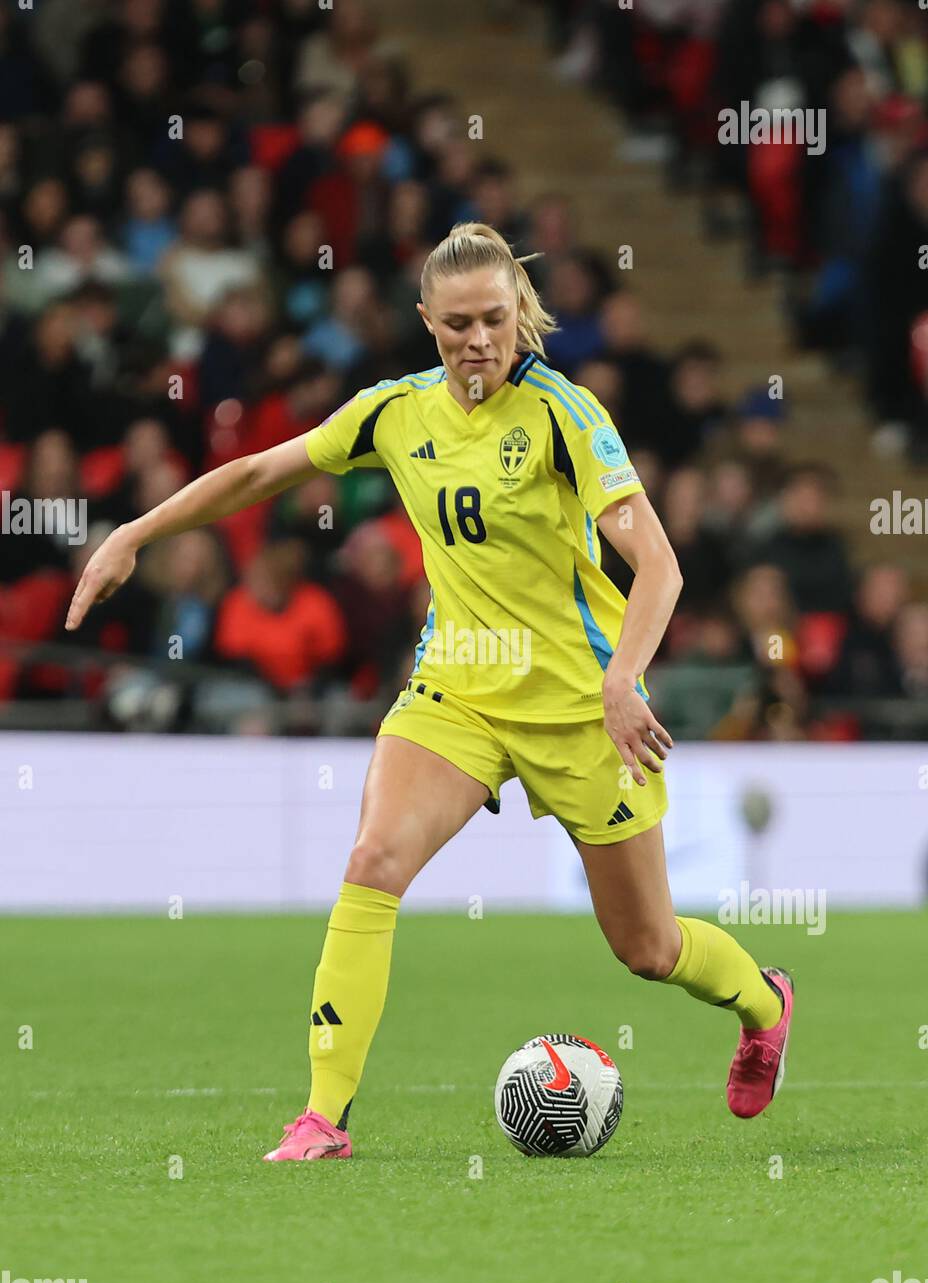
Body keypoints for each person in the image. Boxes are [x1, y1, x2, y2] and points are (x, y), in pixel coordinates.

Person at [65, 222, 795, 1162]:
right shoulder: (394, 413)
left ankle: (764, 1004)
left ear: (519, 314)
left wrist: (622, 678)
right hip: (456, 691)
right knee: (373, 860)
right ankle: (324, 1117)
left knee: (648, 948)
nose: (478, 340)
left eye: (495, 318)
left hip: (579, 706)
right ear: (426, 322)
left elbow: (659, 565)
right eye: (457, 325)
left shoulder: (567, 415)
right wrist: (136, 531)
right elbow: (259, 472)